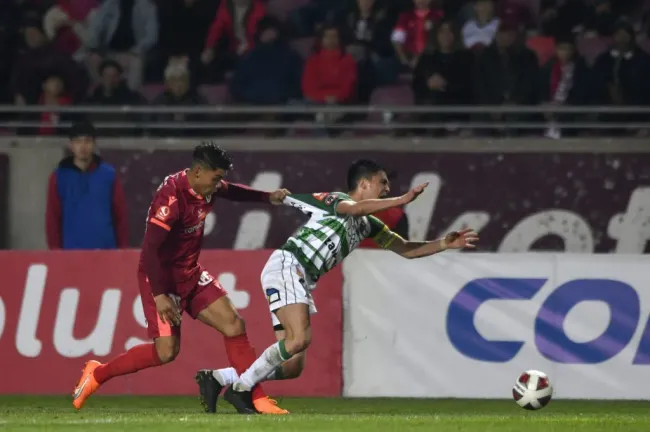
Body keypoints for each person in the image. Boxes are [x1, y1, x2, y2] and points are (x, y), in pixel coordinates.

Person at [196, 159, 478, 413]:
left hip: (300, 277)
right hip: (289, 264)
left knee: (293, 365)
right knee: (299, 338)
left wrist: (443, 243)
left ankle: (219, 378)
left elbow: (405, 249)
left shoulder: (368, 224)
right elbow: (356, 208)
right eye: (383, 183)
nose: (387, 187)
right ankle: (241, 390)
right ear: (364, 184)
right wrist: (401, 199)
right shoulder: (337, 200)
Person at [72, 143, 291, 415]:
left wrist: (267, 197)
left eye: (220, 177)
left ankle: (255, 398)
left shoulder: (206, 185)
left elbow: (232, 191)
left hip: (190, 272)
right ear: (198, 172)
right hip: (161, 278)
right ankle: (98, 374)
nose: (218, 183)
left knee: (234, 324)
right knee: (166, 352)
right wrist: (160, 295)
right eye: (215, 178)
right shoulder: (171, 199)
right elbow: (150, 250)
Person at [46, 121, 128, 249]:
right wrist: (55, 253)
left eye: (87, 141)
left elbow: (120, 216)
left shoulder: (109, 175)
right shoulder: (59, 177)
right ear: (71, 145)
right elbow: (53, 218)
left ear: (94, 144)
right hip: (71, 254)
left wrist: (123, 251)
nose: (83, 146)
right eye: (78, 142)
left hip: (106, 253)